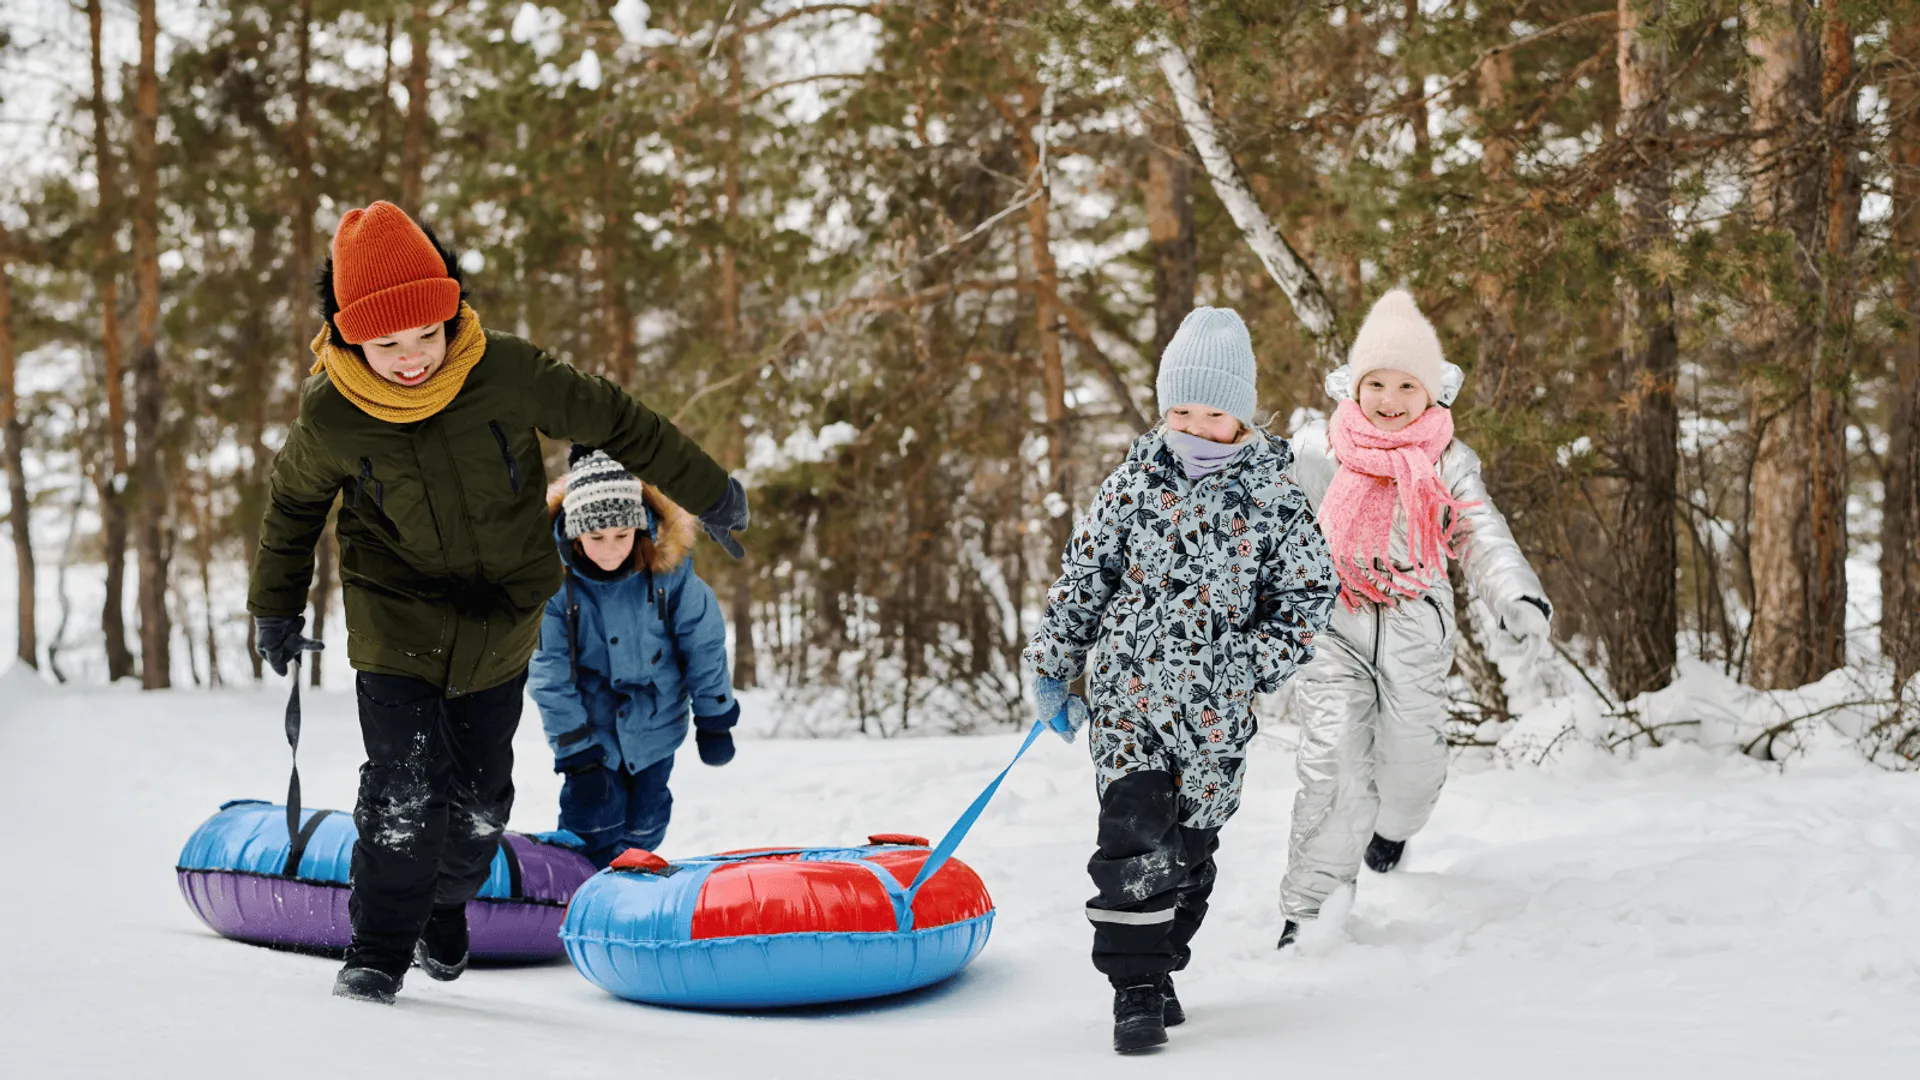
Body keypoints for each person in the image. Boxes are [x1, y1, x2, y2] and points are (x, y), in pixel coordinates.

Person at [247, 201, 750, 1005]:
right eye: (388, 345)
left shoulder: (506, 370)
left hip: (501, 613)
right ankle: (375, 954)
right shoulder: (333, 412)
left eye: (427, 336)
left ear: (452, 313)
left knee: (480, 804)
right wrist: (276, 606)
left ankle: (445, 904)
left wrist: (710, 492)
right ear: (349, 337)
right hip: (396, 612)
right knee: (403, 789)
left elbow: (618, 420)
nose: (412, 359)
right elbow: (293, 507)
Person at [1024, 307, 1337, 1053]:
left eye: (1214, 412)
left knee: (1189, 855)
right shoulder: (1131, 485)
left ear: (1243, 414)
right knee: (1133, 842)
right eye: (1180, 410)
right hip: (1128, 706)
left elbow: (1305, 601)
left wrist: (1245, 666)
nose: (1195, 426)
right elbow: (1084, 579)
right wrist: (1054, 665)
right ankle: (1133, 989)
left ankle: (1162, 962)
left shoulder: (1277, 499)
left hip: (1216, 723)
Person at [1279, 289, 1552, 948]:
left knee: (1411, 768)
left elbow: (1480, 531)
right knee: (1334, 761)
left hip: (1414, 628)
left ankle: (1394, 827)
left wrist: (1515, 595)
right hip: (1333, 624)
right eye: (1377, 383)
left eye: (1408, 385)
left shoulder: (1446, 461)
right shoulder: (1315, 449)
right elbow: (1260, 516)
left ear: (1430, 394)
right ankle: (1312, 909)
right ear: (1355, 385)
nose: (1391, 398)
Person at [528, 447, 739, 869]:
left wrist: (715, 716)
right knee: (593, 823)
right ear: (574, 535)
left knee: (647, 822)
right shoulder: (554, 585)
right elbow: (549, 672)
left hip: (657, 722)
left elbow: (704, 644)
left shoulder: (671, 575)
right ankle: (574, 890)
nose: (610, 550)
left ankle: (633, 890)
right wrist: (575, 751)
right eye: (596, 538)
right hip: (591, 730)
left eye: (622, 536)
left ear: (641, 528)